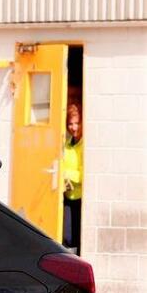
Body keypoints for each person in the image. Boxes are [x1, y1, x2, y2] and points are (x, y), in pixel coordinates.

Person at [62, 100, 83, 252]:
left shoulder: (84, 146)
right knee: (67, 238)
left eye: (76, 123)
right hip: (67, 196)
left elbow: (83, 175)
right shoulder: (68, 144)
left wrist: (65, 174)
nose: (73, 127)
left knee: (75, 237)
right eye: (70, 124)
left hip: (80, 199)